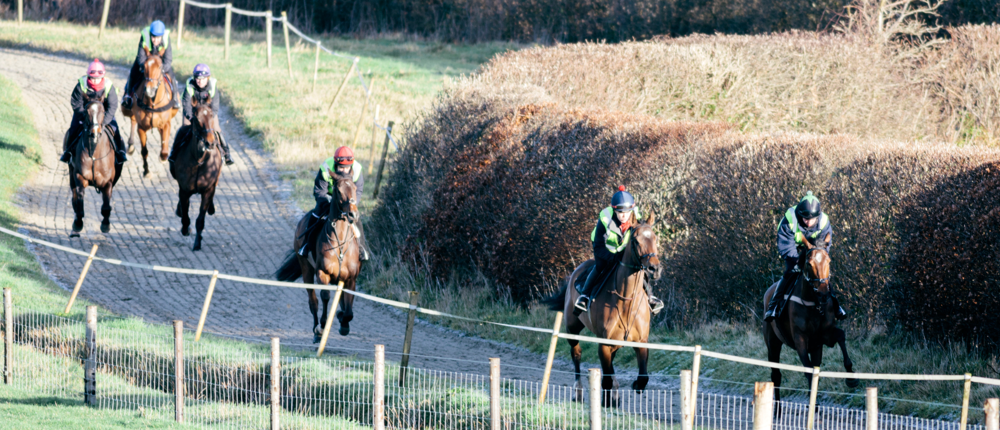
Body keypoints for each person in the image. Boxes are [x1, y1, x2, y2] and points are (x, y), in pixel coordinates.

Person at [574, 186, 664, 315]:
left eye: (627, 212)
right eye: (619, 212)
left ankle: (650, 297)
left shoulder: (636, 219)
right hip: (604, 248)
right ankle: (584, 296)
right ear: (614, 210)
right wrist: (612, 257)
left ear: (631, 210)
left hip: (622, 249)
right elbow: (599, 247)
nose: (623, 215)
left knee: (638, 267)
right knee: (600, 267)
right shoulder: (605, 220)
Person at [763, 191, 847, 322]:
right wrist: (796, 262)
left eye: (812, 219)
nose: (808, 222)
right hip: (792, 248)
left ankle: (837, 306)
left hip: (813, 247)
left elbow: (825, 245)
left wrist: (817, 258)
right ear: (800, 214)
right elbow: (785, 245)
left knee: (821, 275)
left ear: (817, 217)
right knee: (790, 272)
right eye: (805, 219)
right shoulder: (789, 219)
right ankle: (773, 306)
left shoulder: (824, 221)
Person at [300, 146, 370, 261]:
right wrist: (328, 205)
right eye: (341, 168)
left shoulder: (357, 170)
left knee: (357, 219)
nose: (344, 171)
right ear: (336, 164)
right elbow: (319, 191)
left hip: (347, 199)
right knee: (316, 214)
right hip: (328, 197)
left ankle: (362, 248)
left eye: (346, 168)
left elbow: (358, 191)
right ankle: (306, 245)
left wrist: (350, 205)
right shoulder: (325, 168)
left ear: (351, 166)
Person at [60, 59, 127, 165]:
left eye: (98, 78)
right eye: (92, 78)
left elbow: (112, 105)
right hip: (84, 115)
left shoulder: (109, 86)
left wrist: (103, 122)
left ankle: (120, 152)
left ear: (103, 77)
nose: (95, 81)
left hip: (103, 116)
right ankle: (67, 152)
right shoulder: (81, 85)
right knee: (73, 129)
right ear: (88, 76)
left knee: (115, 129)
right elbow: (76, 103)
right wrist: (86, 119)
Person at [168, 63, 234, 165]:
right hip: (193, 115)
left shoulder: (212, 87)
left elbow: (215, 106)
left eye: (203, 79)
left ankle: (226, 154)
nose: (200, 81)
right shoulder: (189, 86)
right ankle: (173, 153)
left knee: (216, 129)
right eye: (198, 79)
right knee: (184, 128)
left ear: (207, 78)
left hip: (209, 114)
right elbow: (186, 105)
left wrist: (209, 118)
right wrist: (191, 118)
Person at [122, 20, 180, 110]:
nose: (155, 40)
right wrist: (148, 69)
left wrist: (159, 70)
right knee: (133, 72)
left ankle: (175, 99)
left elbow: (168, 60)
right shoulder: (144, 36)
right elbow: (141, 58)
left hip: (160, 63)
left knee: (172, 76)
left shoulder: (166, 38)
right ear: (150, 34)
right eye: (153, 37)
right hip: (146, 62)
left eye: (158, 38)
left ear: (161, 36)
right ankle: (128, 96)